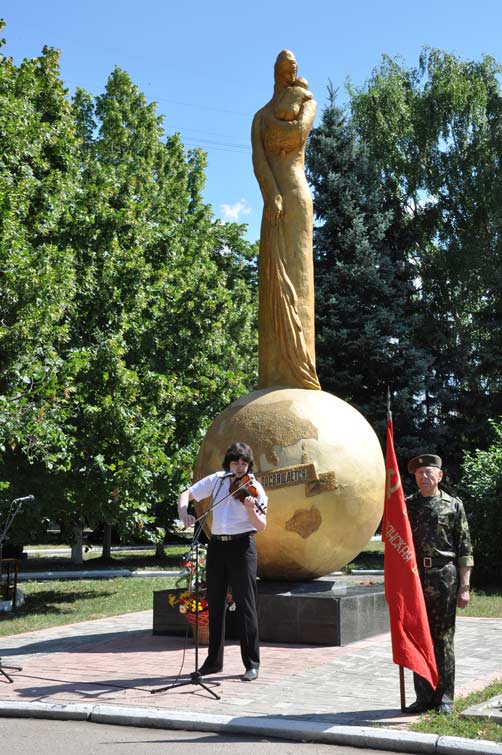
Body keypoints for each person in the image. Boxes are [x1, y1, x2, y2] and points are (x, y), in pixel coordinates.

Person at [251, 50, 321, 390]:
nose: (289, 73)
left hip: (296, 195)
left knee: (297, 276)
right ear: (276, 71)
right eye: (284, 68)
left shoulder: (307, 101)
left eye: (293, 68)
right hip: (274, 201)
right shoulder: (259, 116)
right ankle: (274, 372)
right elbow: (259, 160)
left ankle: (301, 368)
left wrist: (277, 132)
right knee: (273, 279)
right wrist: (271, 195)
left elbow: (296, 136)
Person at [178, 442, 267, 681]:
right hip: (217, 546)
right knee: (215, 604)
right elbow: (186, 494)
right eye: (235, 462)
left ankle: (251, 664)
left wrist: (251, 510)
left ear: (249, 465)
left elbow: (261, 525)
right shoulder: (217, 480)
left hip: (242, 547)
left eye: (244, 463)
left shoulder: (254, 488)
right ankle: (213, 663)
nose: (239, 467)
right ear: (228, 463)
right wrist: (184, 512)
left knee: (246, 605)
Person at [405, 454, 474, 715]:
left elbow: (465, 549)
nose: (424, 477)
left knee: (443, 638)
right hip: (415, 578)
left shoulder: (453, 506)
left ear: (439, 476)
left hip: (444, 577)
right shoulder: (407, 506)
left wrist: (464, 587)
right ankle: (423, 697)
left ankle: (444, 697)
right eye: (419, 473)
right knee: (417, 637)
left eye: (428, 472)